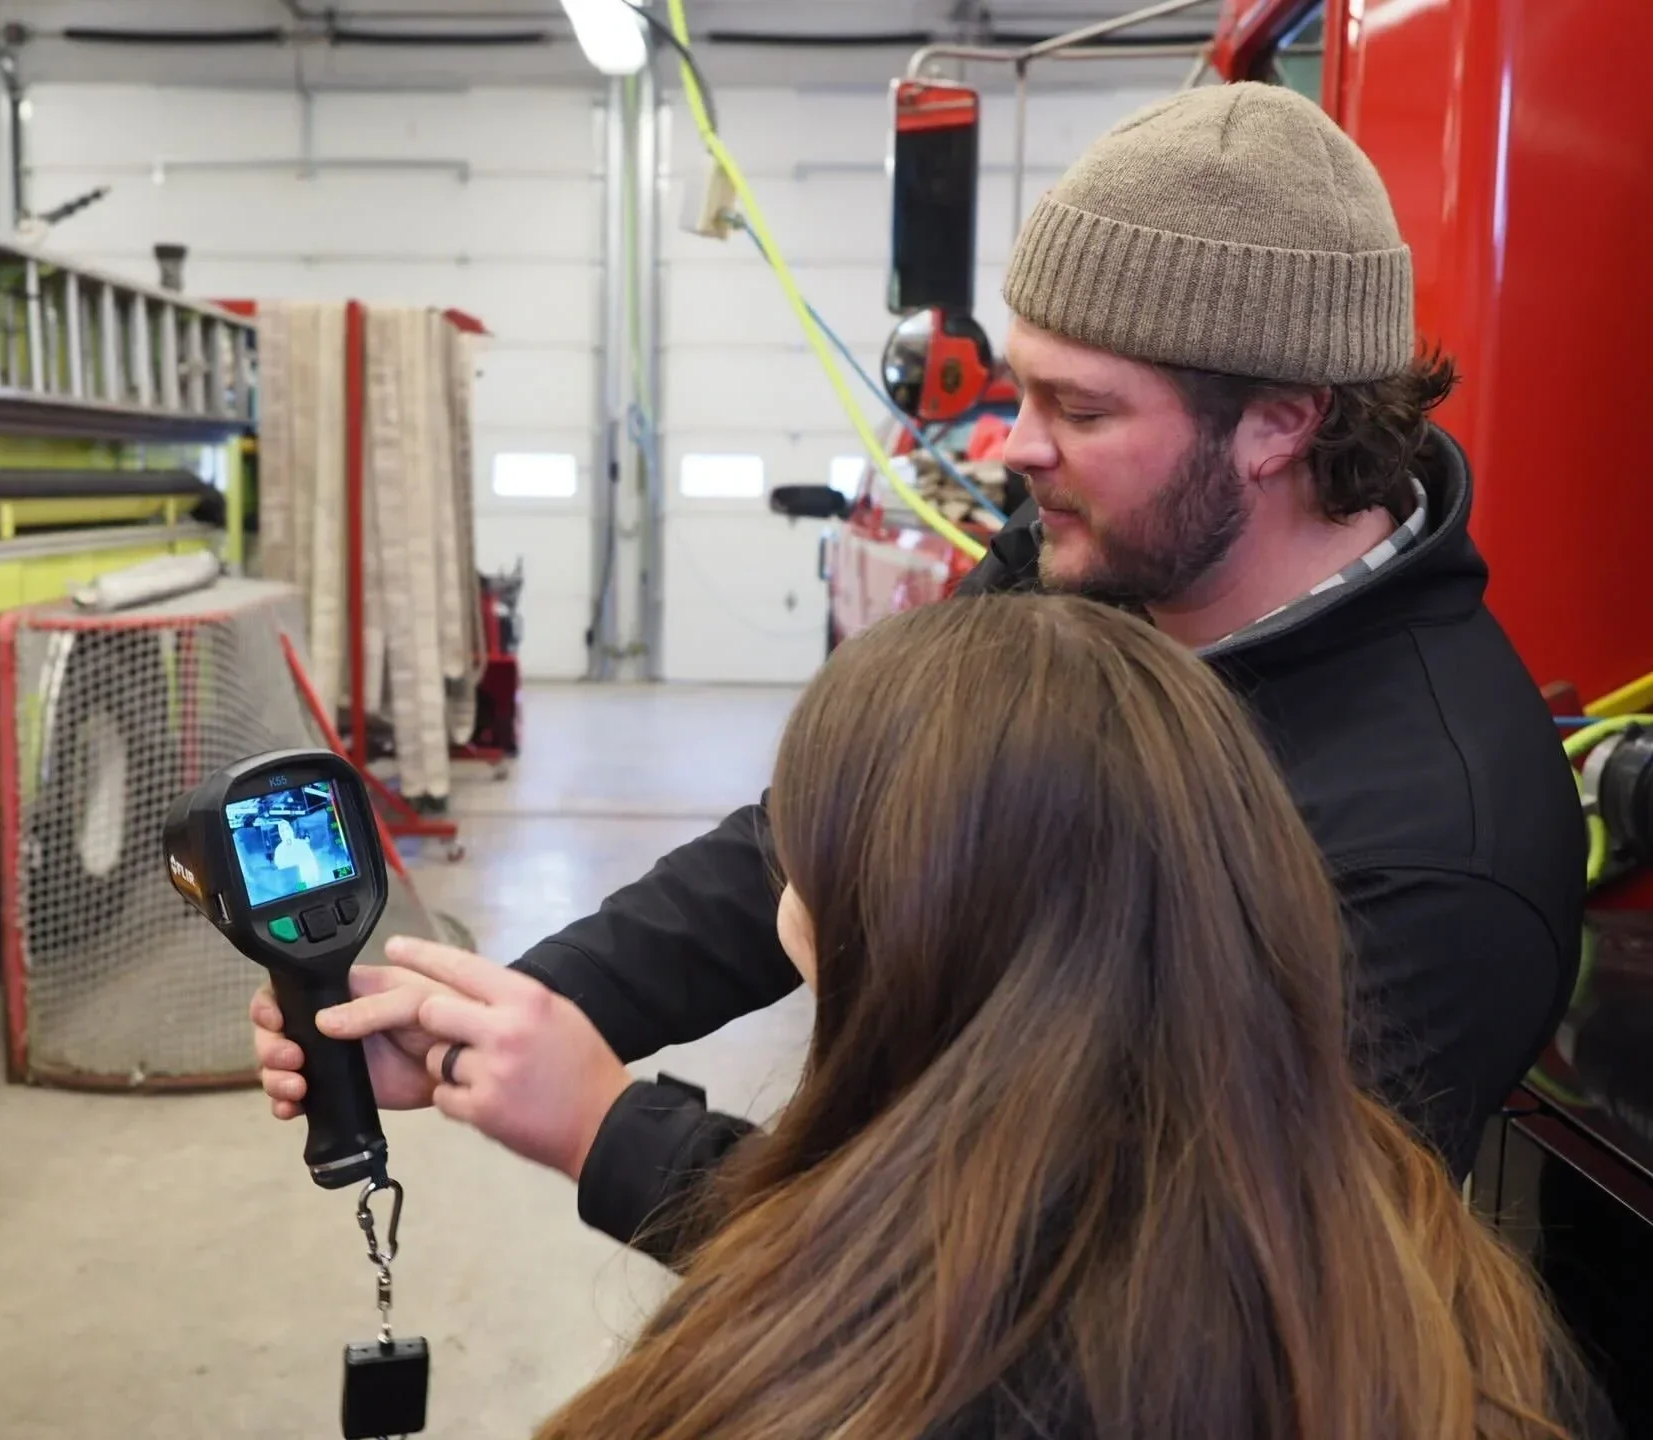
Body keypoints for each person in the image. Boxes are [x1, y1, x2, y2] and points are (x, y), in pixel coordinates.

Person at [254, 83, 1586, 1243]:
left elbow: (1109, 1317)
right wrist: (510, 1010)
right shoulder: (1091, 562)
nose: (1012, 447)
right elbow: (823, 830)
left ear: (1278, 425)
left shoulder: (1429, 855)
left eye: (1079, 408)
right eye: (1023, 386)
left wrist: (612, 1135)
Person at [351, 596, 1593, 1439]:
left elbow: (926, 1290)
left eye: (804, 848)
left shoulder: (923, 1380)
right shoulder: (1404, 1255)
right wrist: (567, 1077)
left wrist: (605, 1126)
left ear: (902, 922)